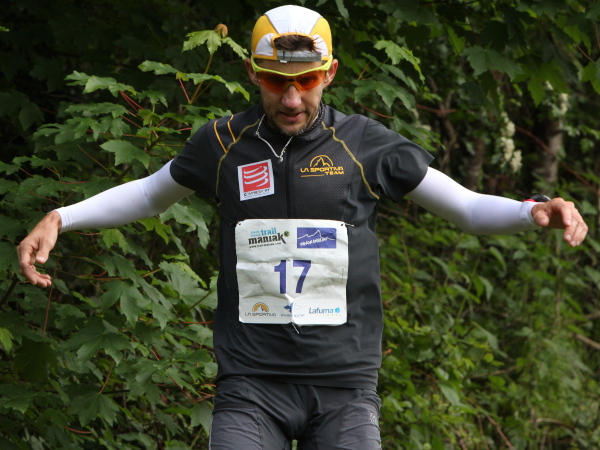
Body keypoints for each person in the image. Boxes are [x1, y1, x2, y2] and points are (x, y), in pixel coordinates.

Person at [17, 5, 588, 449]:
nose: (291, 99)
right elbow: (148, 194)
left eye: (307, 80)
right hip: (250, 383)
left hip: (344, 386)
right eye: (274, 81)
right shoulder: (222, 143)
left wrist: (530, 210)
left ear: (330, 73)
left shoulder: (364, 144)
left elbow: (463, 207)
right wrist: (62, 217)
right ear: (252, 73)